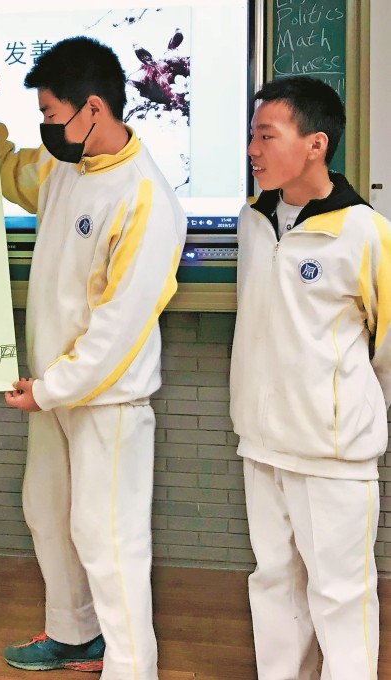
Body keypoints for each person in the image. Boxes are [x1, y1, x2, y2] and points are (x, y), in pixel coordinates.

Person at [0, 36, 186, 678]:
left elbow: (118, 329)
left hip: (106, 403)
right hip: (50, 394)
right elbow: (9, 173)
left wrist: (52, 388)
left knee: (108, 538)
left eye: (51, 115)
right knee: (47, 515)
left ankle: (131, 666)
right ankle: (73, 634)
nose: (46, 128)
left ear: (94, 108)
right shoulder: (65, 165)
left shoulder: (145, 197)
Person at [231, 75, 386, 680]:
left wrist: (346, 408)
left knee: (340, 596)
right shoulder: (253, 219)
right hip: (261, 443)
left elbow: (385, 349)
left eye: (267, 136)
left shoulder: (364, 232)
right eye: (252, 136)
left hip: (333, 451)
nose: (253, 150)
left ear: (316, 143)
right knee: (273, 584)